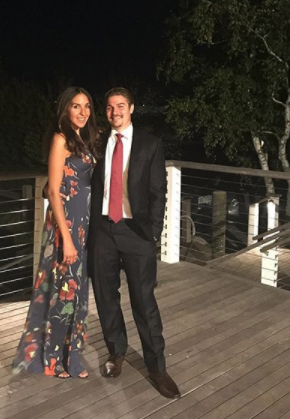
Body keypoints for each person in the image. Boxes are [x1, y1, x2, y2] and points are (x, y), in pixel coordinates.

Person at [88, 87, 181, 399]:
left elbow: (158, 192)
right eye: (109, 107)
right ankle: (116, 352)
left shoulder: (150, 144)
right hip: (102, 229)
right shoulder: (98, 142)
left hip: (136, 231)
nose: (115, 111)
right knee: (105, 296)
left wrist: (153, 232)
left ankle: (157, 368)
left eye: (120, 106)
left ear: (131, 108)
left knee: (144, 301)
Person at [12, 86, 98, 379]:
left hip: (83, 224)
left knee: (78, 292)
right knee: (63, 291)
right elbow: (53, 191)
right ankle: (53, 359)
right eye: (76, 106)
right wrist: (67, 239)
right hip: (66, 225)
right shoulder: (61, 139)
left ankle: (72, 356)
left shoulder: (84, 139)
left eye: (87, 106)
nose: (83, 112)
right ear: (65, 109)